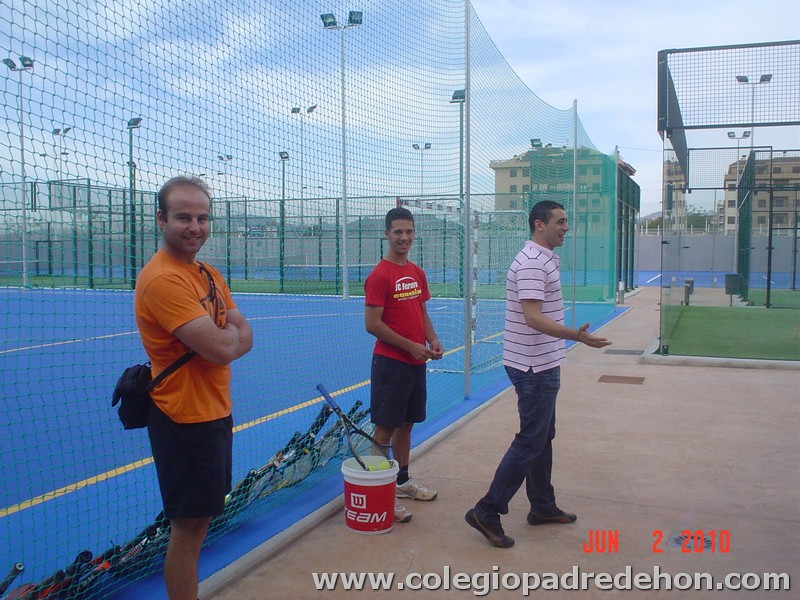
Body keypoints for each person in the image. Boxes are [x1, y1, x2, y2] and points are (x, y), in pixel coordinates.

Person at [465, 200, 611, 548]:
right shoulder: (532, 263)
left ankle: (542, 507)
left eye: (566, 221)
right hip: (532, 366)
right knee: (531, 439)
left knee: (542, 436)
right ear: (538, 225)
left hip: (542, 362)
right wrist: (576, 335)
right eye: (560, 222)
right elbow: (532, 317)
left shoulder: (543, 259)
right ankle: (487, 510)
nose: (565, 227)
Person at [134, 176, 253, 599]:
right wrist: (227, 338)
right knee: (188, 530)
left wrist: (227, 339)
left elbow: (242, 335)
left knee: (200, 523)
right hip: (181, 418)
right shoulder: (163, 279)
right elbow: (225, 345)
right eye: (183, 217)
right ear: (161, 219)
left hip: (213, 410)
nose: (195, 227)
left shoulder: (207, 272)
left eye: (202, 218)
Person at [364, 206, 444, 523]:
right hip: (391, 364)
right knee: (384, 430)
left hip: (415, 362)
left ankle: (402, 482)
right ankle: (379, 494)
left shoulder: (416, 272)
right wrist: (411, 346)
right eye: (398, 231)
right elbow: (372, 324)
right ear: (387, 234)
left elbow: (420, 312)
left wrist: (432, 340)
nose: (404, 237)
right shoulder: (380, 275)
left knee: (407, 424)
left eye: (409, 231)